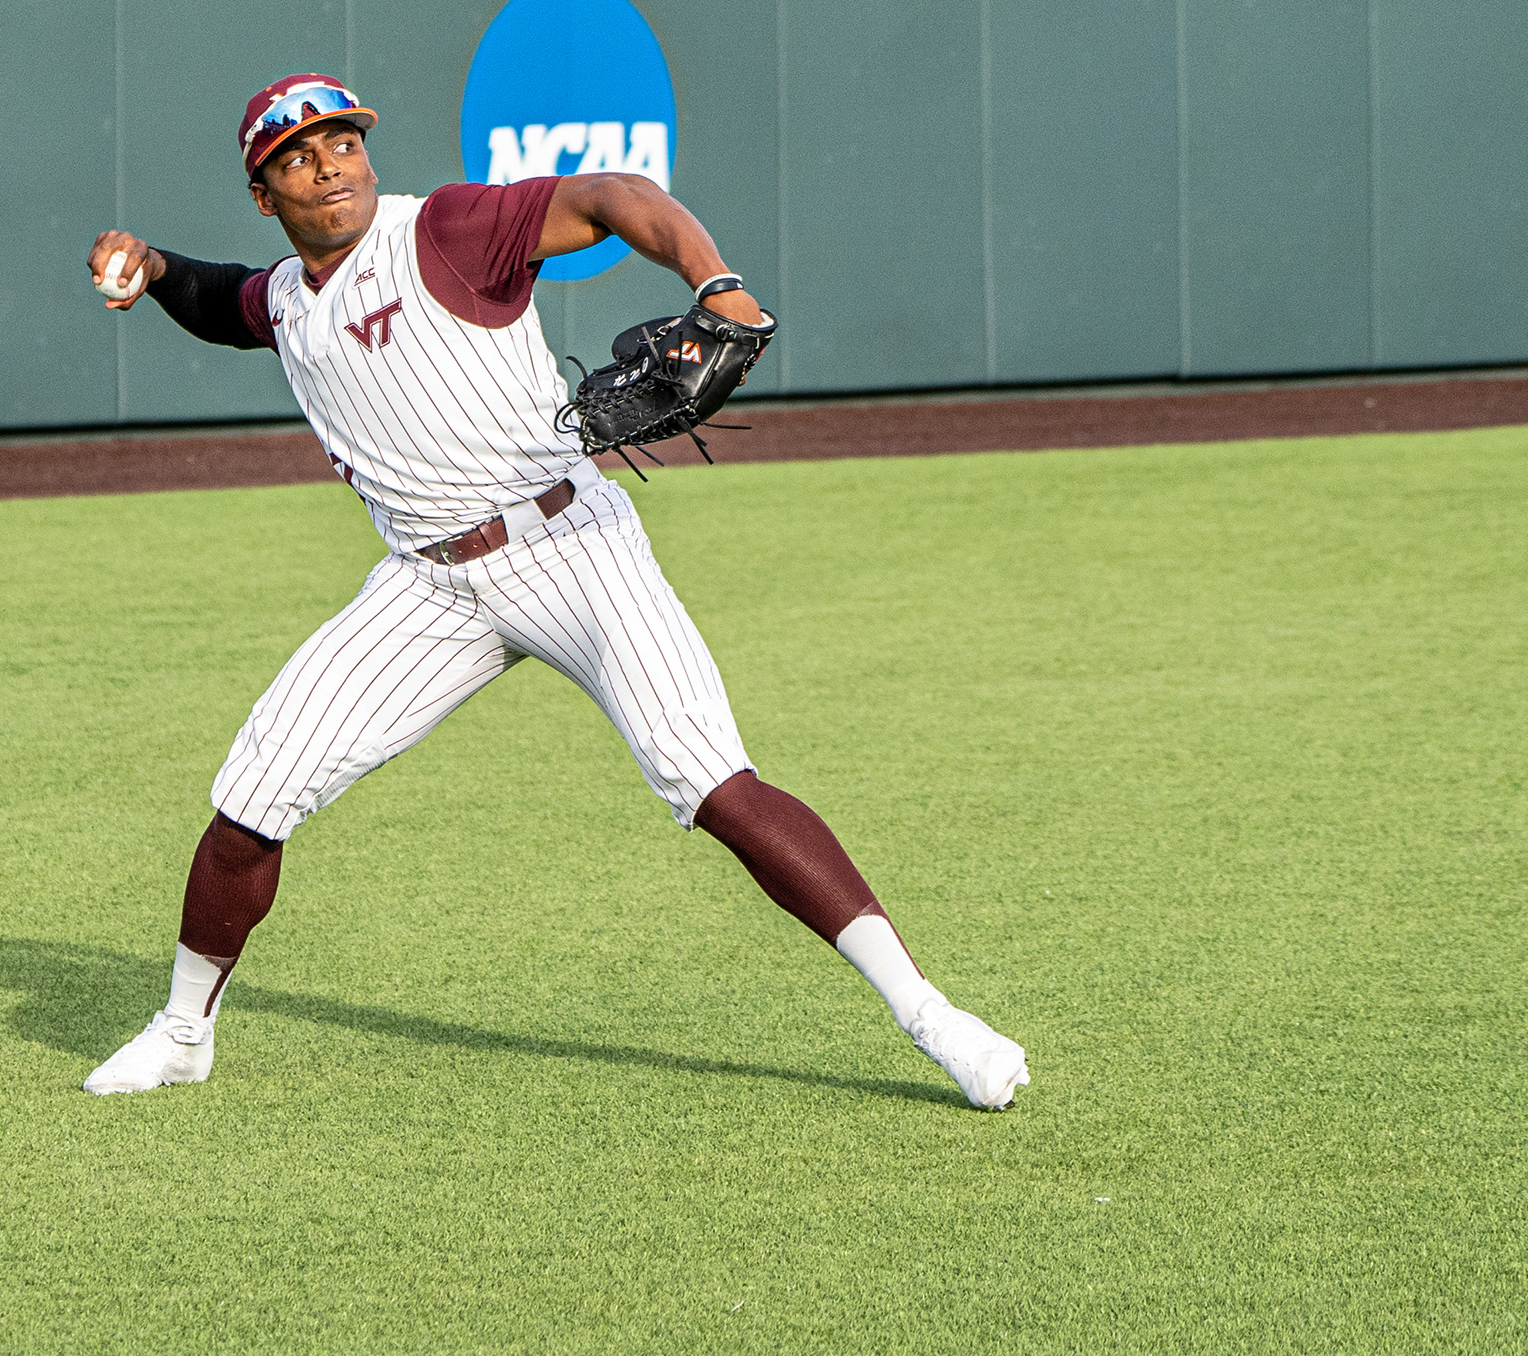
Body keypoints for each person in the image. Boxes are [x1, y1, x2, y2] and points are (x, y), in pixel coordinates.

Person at [75, 72, 1029, 1110]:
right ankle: (181, 1033)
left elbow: (618, 196)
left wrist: (714, 281)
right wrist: (156, 264)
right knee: (251, 800)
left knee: (710, 778)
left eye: (341, 141)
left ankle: (932, 1016)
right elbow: (226, 303)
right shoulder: (289, 297)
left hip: (569, 539)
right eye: (296, 157)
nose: (328, 166)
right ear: (266, 195)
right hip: (428, 586)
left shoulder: (443, 229)